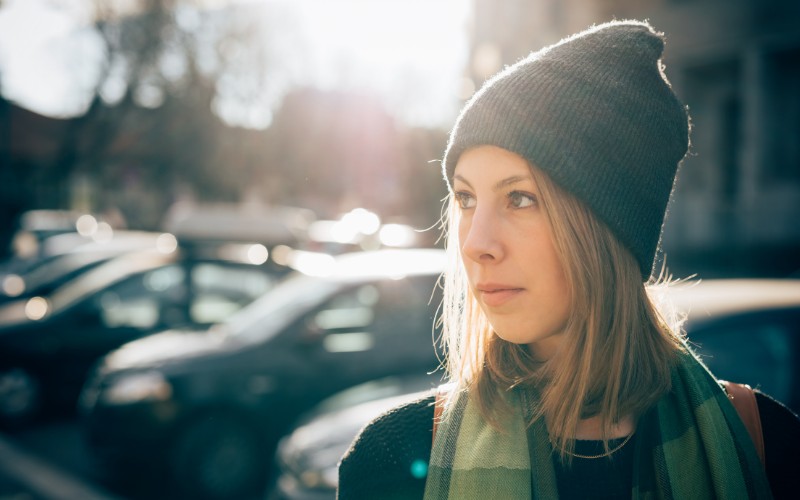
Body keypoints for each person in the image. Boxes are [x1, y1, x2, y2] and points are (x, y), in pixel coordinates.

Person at [337, 19, 800, 499]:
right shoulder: (393, 461)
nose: (476, 243)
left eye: (519, 198)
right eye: (466, 198)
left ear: (606, 229)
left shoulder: (764, 444)